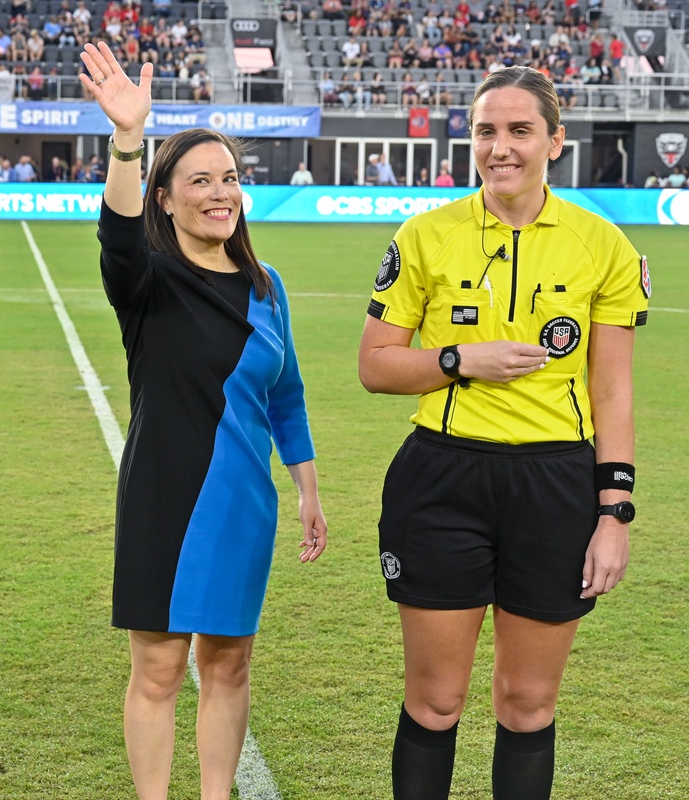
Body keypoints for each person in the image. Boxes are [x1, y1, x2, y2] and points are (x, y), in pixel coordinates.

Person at [357, 65, 649, 800]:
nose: (500, 147)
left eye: (520, 130)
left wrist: (614, 513)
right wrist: (461, 360)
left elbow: (613, 391)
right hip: (442, 483)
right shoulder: (427, 234)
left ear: (555, 140)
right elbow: (375, 366)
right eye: (487, 130)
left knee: (528, 704)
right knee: (436, 701)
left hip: (556, 487)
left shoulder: (603, 244)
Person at [77, 41, 327, 800]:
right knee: (157, 668)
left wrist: (308, 489)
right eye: (200, 181)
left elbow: (288, 394)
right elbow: (115, 238)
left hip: (247, 503)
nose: (220, 194)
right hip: (164, 495)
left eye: (230, 180)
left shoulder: (266, 284)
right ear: (166, 197)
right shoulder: (147, 282)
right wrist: (129, 139)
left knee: (229, 663)